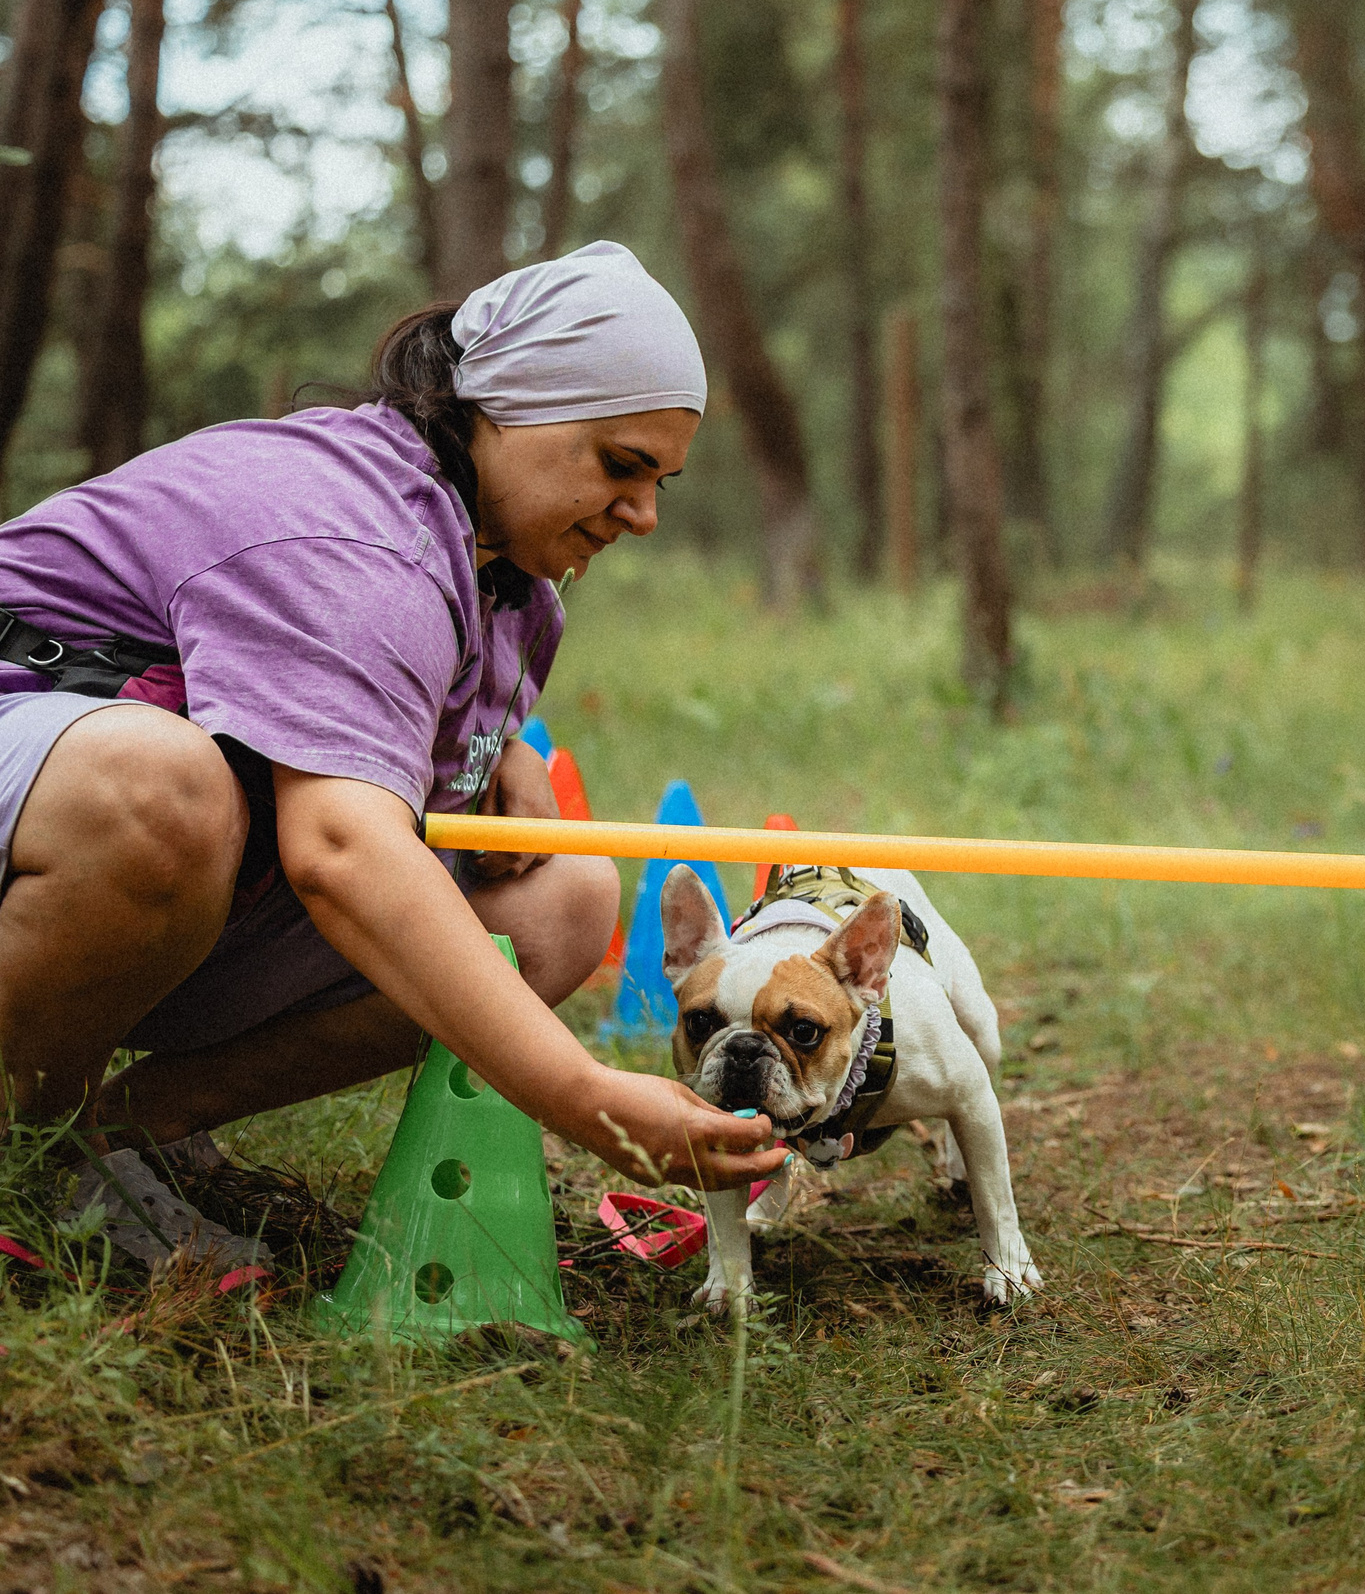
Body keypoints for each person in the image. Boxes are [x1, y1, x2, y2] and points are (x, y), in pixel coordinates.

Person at [0, 241, 786, 1261]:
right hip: (60, 787)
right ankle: (32, 1149)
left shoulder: (508, 582)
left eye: (661, 482)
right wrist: (581, 1096)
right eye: (620, 465)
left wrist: (499, 748)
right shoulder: (353, 532)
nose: (642, 514)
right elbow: (341, 848)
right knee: (157, 788)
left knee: (565, 899)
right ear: (508, 409)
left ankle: (132, 1130)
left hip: (150, 877)